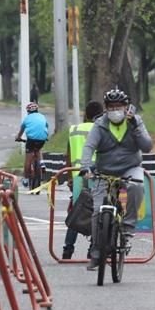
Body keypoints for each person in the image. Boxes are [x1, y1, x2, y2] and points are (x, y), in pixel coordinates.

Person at [80, 89, 152, 272]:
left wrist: (135, 126)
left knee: (136, 187)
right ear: (106, 109)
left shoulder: (136, 121)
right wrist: (85, 166)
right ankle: (96, 251)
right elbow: (89, 147)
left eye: (118, 107)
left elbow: (147, 146)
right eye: (111, 107)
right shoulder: (99, 124)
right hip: (104, 170)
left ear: (126, 107)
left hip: (130, 167)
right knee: (97, 211)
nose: (115, 110)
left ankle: (127, 229)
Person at [62, 100, 104, 259]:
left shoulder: (74, 130)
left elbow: (68, 155)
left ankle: (68, 250)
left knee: (76, 212)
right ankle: (92, 249)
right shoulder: (102, 129)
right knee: (97, 212)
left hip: (77, 176)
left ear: (85, 114)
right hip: (98, 175)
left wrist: (69, 178)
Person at [15, 102, 49, 187]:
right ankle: (42, 163)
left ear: (28, 111)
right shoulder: (42, 116)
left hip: (31, 140)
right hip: (42, 138)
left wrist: (18, 137)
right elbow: (46, 127)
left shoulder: (27, 118)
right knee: (38, 149)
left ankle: (26, 178)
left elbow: (21, 131)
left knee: (28, 158)